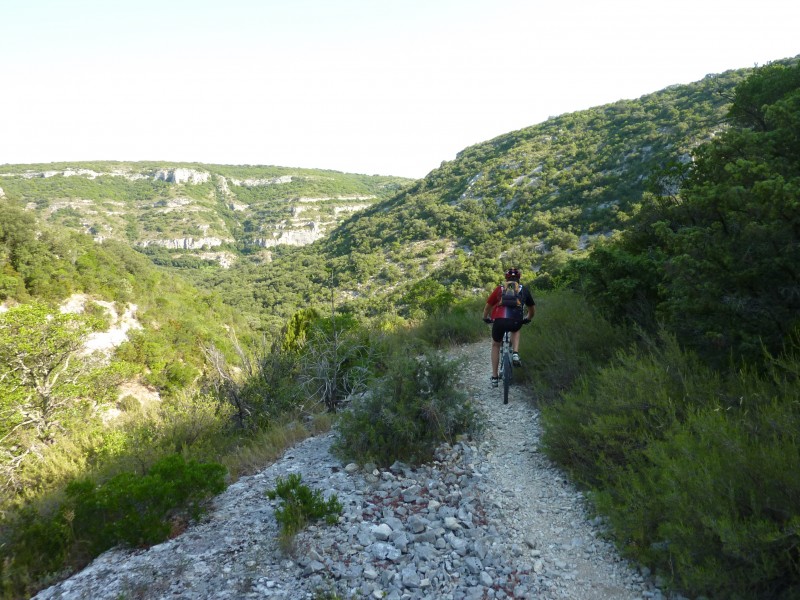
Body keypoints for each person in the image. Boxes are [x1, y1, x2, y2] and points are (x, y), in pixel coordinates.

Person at [482, 267, 535, 387]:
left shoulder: (499, 289)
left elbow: (487, 307)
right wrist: (528, 318)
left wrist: (485, 317)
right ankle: (515, 352)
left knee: (496, 344)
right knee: (516, 329)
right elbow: (532, 310)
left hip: (499, 321)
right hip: (515, 321)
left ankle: (494, 377)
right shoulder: (523, 290)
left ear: (506, 279)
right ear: (519, 278)